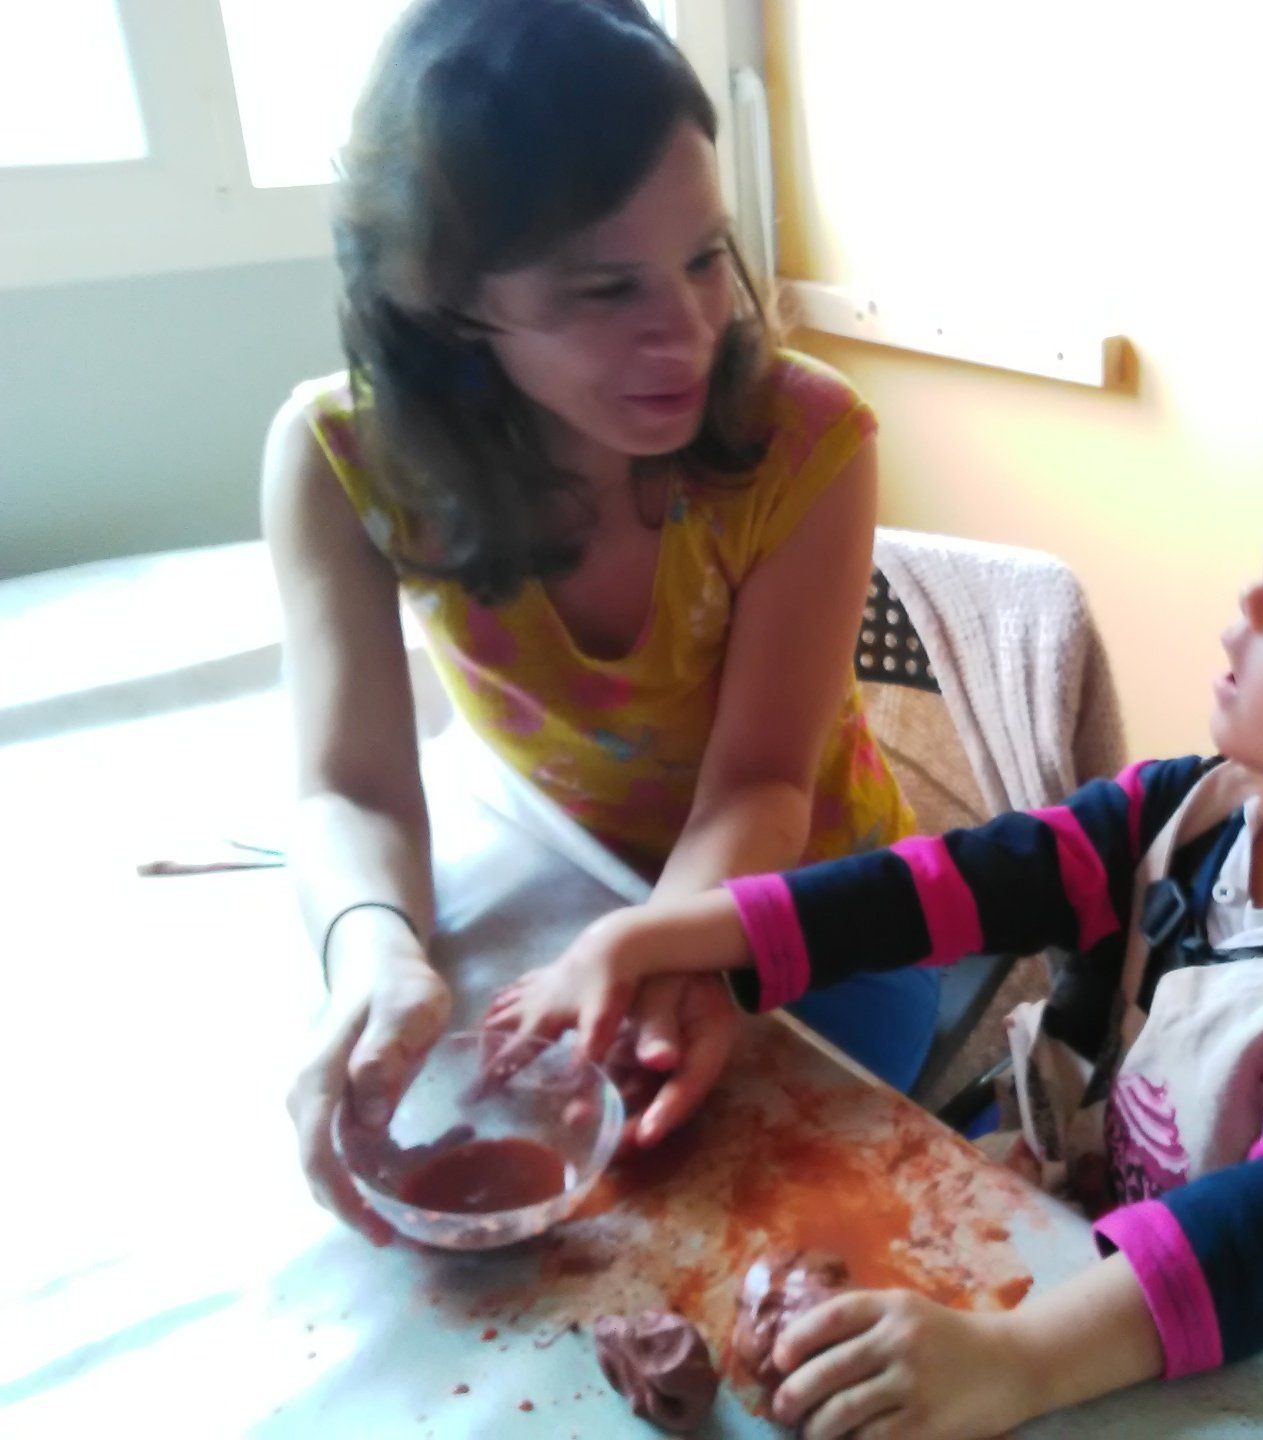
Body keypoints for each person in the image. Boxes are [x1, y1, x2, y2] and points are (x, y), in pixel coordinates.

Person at [484, 378, 1263, 1439]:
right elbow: (943, 885)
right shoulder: (1185, 814)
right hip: (1127, 1218)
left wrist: (1016, 1362)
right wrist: (666, 935)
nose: (1257, 596)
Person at [263, 0, 934, 1248]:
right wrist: (375, 952)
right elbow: (350, 791)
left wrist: (672, 948)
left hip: (820, 907)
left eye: (703, 259)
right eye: (604, 287)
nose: (686, 333)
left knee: (738, 1215)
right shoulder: (339, 460)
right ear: (442, 298)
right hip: (570, 879)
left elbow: (761, 784)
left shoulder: (808, 438)